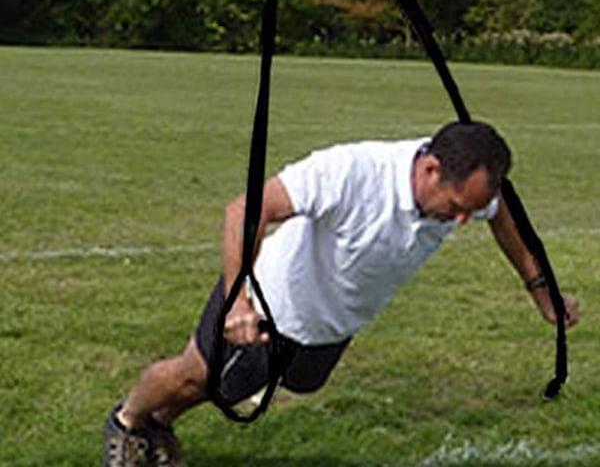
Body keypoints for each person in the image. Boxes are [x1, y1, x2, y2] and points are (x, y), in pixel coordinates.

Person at [103, 121, 579, 466]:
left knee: (237, 386)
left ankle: (158, 425)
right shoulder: (352, 171)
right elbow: (246, 208)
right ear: (430, 168)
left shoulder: (466, 193)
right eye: (455, 209)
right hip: (269, 301)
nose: (460, 222)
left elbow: (502, 218)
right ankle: (128, 422)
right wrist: (239, 299)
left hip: (332, 322)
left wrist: (540, 290)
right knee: (196, 376)